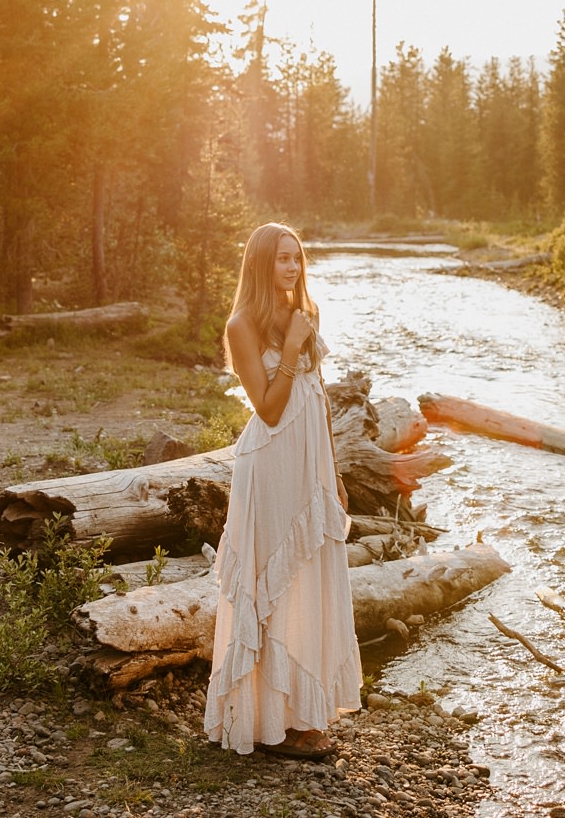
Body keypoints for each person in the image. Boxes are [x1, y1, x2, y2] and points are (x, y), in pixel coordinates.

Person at [203, 221, 361, 760]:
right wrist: (292, 346)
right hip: (268, 468)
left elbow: (316, 400)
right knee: (270, 587)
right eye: (281, 259)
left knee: (308, 581)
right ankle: (266, 722)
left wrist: (333, 475)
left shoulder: (305, 315)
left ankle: (297, 712)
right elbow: (268, 410)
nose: (292, 268)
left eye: (297, 258)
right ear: (260, 264)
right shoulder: (242, 324)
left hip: (309, 470)